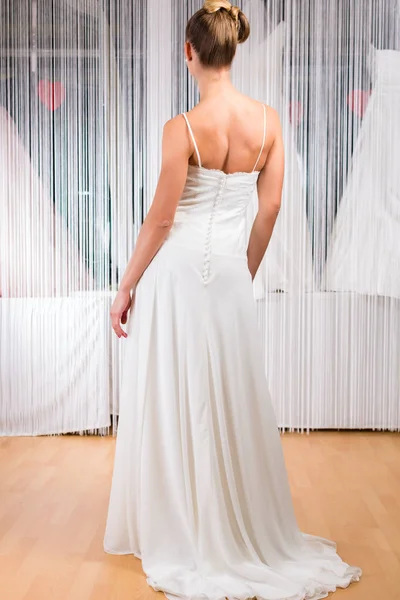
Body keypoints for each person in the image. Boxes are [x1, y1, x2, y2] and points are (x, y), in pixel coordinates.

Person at [104, 2, 362, 598]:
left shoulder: (182, 127)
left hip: (174, 281)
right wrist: (241, 270)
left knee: (177, 395)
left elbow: (161, 220)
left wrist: (125, 288)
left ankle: (185, 525)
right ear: (234, 50)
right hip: (227, 276)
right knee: (231, 393)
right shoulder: (270, 123)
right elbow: (268, 210)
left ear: (189, 52)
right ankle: (237, 526)